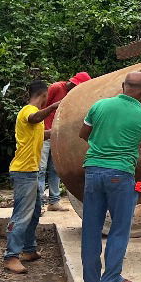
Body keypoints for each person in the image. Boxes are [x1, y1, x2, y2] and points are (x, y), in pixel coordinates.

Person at [77, 70, 141, 282]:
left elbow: (84, 133)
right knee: (119, 228)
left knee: (91, 226)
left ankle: (91, 278)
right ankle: (111, 278)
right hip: (120, 175)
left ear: (123, 85)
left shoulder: (99, 106)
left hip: (92, 171)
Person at [4, 80, 64, 275]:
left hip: (32, 171)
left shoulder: (35, 119)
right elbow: (34, 118)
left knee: (35, 212)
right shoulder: (27, 111)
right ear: (45, 95)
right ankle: (11, 256)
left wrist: (59, 132)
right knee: (22, 215)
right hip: (24, 172)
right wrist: (53, 107)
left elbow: (41, 134)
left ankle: (28, 250)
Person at [38, 71, 92, 211]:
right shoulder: (57, 87)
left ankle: (54, 201)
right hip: (44, 133)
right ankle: (39, 203)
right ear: (72, 83)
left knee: (56, 169)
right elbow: (40, 107)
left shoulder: (75, 95)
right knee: (41, 169)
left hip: (58, 135)